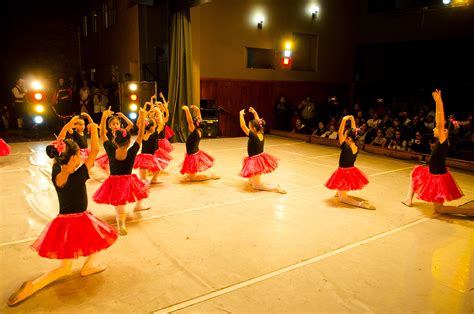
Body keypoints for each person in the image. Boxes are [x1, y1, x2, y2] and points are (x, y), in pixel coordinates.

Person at [7, 119, 117, 306]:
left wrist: (68, 126)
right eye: (78, 155)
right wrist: (95, 129)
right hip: (81, 220)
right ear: (74, 158)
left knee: (65, 268)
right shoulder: (80, 173)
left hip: (63, 222)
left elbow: (60, 142)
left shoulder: (56, 170)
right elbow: (96, 150)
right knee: (101, 238)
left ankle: (32, 287)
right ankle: (88, 266)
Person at [401, 90, 471, 215]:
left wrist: (439, 101)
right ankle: (408, 199)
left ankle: (469, 212)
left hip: (438, 177)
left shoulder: (444, 141)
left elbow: (440, 119)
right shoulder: (441, 141)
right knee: (415, 173)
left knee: (439, 209)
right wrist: (437, 102)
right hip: (431, 172)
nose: (435, 129)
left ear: (443, 132)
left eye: (438, 129)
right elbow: (439, 120)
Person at [93, 108, 150, 236]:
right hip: (128, 181)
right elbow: (140, 136)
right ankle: (131, 212)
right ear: (129, 141)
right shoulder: (132, 151)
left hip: (113, 182)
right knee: (144, 188)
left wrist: (103, 117)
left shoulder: (111, 149)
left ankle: (121, 223)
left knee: (119, 207)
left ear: (115, 141)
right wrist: (142, 117)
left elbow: (102, 134)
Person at [325, 115, 375, 210]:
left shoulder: (345, 147)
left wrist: (343, 120)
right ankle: (339, 191)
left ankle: (360, 204)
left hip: (343, 172)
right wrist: (352, 119)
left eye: (345, 135)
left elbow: (339, 133)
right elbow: (354, 130)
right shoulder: (356, 146)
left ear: (348, 138)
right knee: (339, 192)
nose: (344, 135)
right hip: (351, 170)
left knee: (342, 199)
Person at [239, 107, 286, 194]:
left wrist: (241, 114)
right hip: (259, 159)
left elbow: (242, 126)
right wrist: (254, 112)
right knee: (250, 182)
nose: (248, 128)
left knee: (256, 186)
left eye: (249, 126)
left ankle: (275, 188)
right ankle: (253, 180)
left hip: (256, 161)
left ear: (253, 128)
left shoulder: (252, 135)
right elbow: (259, 122)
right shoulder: (261, 132)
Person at [180, 105, 219, 181]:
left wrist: (187, 111)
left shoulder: (195, 131)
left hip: (193, 155)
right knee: (190, 175)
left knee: (192, 179)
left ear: (194, 125)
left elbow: (189, 121)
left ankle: (210, 176)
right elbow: (199, 120)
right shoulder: (199, 129)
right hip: (192, 153)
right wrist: (197, 110)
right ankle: (194, 174)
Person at [133, 104, 168, 183]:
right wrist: (159, 112)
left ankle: (143, 178)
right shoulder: (154, 134)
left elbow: (139, 124)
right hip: (152, 155)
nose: (156, 126)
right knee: (159, 164)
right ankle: (154, 178)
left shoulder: (142, 133)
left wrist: (141, 116)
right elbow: (161, 124)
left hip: (144, 154)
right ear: (152, 127)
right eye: (155, 125)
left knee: (143, 166)